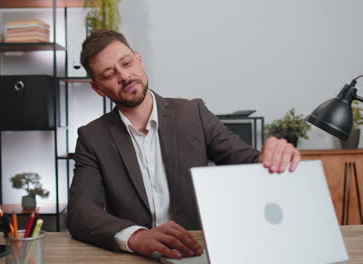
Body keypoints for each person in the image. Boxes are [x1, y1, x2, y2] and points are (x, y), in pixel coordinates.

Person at [67, 30, 301, 259]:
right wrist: (136, 237)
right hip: (136, 257)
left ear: (139, 60)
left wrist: (271, 155)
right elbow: (81, 214)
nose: (125, 76)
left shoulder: (193, 114)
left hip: (196, 253)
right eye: (109, 75)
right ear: (98, 88)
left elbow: (246, 161)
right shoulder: (92, 137)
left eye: (127, 63)